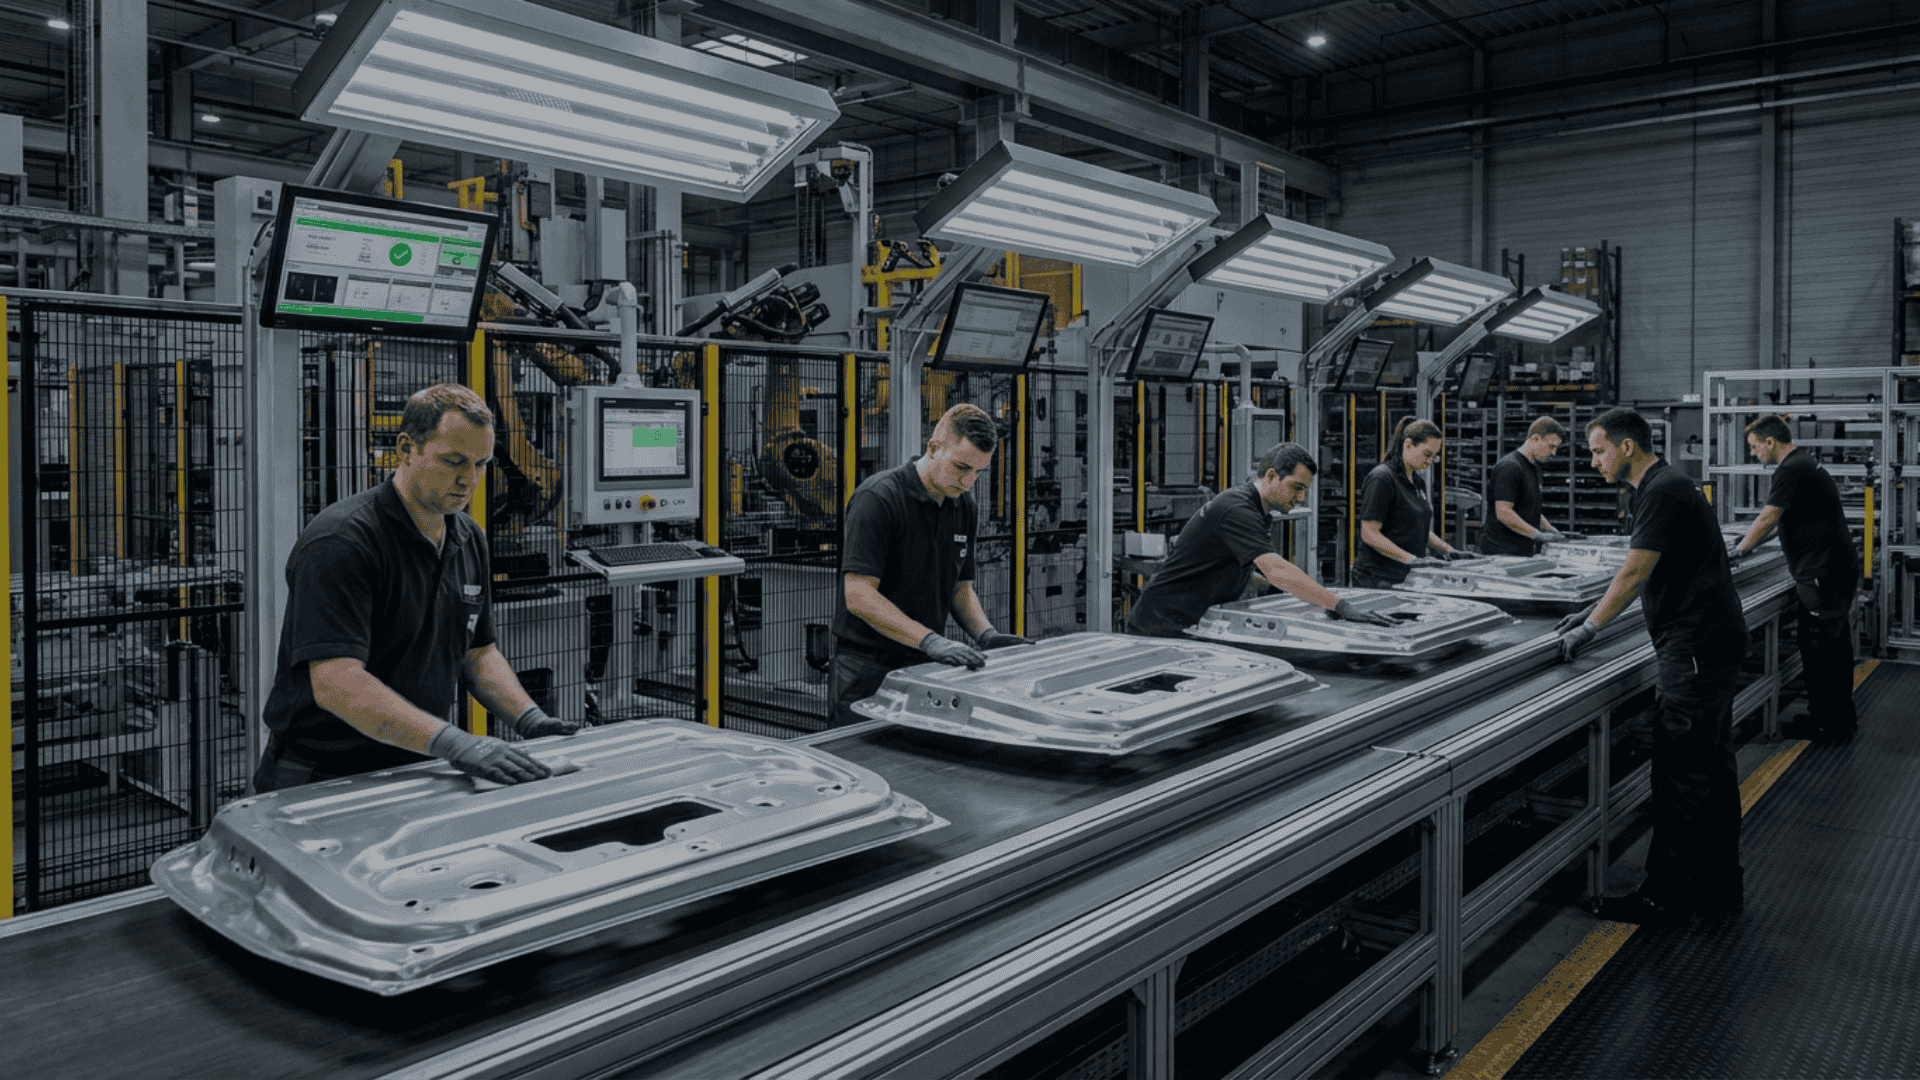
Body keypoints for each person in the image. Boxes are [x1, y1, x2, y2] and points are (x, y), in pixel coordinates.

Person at [254, 384, 579, 792]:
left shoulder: (468, 537)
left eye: (481, 464)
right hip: (321, 775)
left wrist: (531, 721)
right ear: (406, 448)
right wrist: (456, 742)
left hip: (414, 761)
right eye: (453, 462)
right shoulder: (342, 543)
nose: (469, 480)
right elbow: (338, 682)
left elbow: (478, 654)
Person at [1557, 407, 1747, 925]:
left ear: (1625, 447)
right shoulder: (1666, 486)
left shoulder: (1661, 490)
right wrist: (1592, 604)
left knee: (1681, 771)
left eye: (1597, 451)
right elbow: (1639, 564)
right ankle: (1720, 886)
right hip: (1711, 640)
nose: (1593, 461)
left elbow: (1637, 571)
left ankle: (1665, 895)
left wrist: (1590, 627)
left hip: (1695, 649)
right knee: (1711, 766)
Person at [831, 404, 1030, 725]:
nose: (968, 482)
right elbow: (858, 595)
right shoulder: (879, 498)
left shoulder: (963, 504)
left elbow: (960, 588)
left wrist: (987, 636)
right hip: (867, 667)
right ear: (934, 448)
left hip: (924, 665)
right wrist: (931, 640)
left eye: (978, 472)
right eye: (962, 467)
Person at [1127, 442, 1397, 637]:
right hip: (1160, 625)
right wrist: (1339, 604)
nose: (1301, 497)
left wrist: (1292, 593)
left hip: (1187, 622)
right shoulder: (1237, 508)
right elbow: (1277, 570)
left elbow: (1237, 566)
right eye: (1297, 487)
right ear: (1270, 476)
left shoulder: (1255, 508)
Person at [1732, 414, 1859, 742]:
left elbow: (1769, 516)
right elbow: (1784, 520)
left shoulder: (1790, 469)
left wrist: (1739, 551)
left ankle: (1827, 725)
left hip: (1822, 575)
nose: (1753, 453)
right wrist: (1749, 545)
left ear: (1770, 442)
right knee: (1835, 646)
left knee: (1820, 649)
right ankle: (1839, 717)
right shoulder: (1805, 464)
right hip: (1833, 570)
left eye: (1754, 446)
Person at [1352, 416, 1475, 589]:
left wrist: (1448, 550)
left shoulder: (1417, 482)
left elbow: (1417, 526)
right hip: (1378, 578)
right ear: (1408, 445)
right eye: (1427, 454)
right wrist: (1413, 560)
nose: (1430, 461)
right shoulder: (1382, 478)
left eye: (1434, 457)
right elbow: (1369, 533)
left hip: (1407, 577)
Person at [1480, 416, 1575, 555]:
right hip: (1502, 552)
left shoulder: (1534, 469)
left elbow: (1529, 507)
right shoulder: (1510, 467)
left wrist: (1550, 529)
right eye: (1551, 446)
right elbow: (1504, 513)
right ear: (1535, 438)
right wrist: (1539, 535)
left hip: (1521, 551)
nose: (1554, 452)